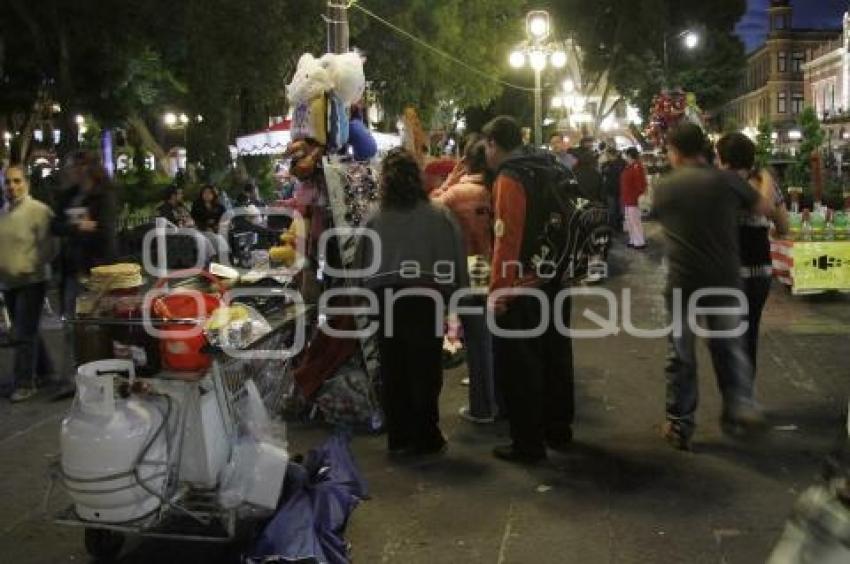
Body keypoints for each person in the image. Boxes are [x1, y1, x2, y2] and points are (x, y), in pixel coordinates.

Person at [653, 124, 767, 450]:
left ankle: (679, 423)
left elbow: (660, 223)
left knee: (681, 355)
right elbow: (761, 207)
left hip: (683, 283)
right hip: (725, 280)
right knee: (729, 349)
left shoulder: (666, 186)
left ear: (674, 150)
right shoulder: (728, 181)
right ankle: (740, 409)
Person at [484, 116, 586, 464]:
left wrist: (498, 291)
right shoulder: (550, 165)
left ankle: (527, 442)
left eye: (487, 146)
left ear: (494, 144)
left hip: (523, 285)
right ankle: (558, 428)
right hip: (555, 278)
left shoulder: (511, 176)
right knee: (556, 355)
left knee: (522, 365)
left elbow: (506, 237)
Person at [355, 147, 467, 456]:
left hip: (385, 300)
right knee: (426, 369)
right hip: (425, 299)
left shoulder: (374, 217)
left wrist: (362, 301)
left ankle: (399, 436)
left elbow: (360, 264)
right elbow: (454, 257)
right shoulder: (438, 214)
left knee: (394, 369)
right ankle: (426, 435)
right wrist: (458, 297)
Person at [431, 140, 497, 424]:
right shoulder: (498, 187)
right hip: (496, 266)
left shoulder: (456, 193)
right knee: (491, 338)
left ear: (466, 161)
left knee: (477, 338)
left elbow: (430, 209)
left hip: (466, 269)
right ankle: (498, 401)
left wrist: (449, 181)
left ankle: (483, 407)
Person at [716, 133, 790, 373]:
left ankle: (734, 393)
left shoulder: (717, 184)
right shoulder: (765, 184)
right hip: (759, 269)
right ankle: (746, 393)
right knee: (750, 331)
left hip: (726, 271)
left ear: (723, 158)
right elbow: (784, 226)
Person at [0, 165, 56, 402]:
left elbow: (50, 246)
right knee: (28, 330)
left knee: (23, 332)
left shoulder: (38, 211)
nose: (12, 187)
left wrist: (33, 264)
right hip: (9, 282)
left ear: (27, 183)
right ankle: (45, 372)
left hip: (31, 280)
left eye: (17, 181)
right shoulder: (4, 212)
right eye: (7, 182)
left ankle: (25, 382)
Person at [621, 147, 647, 249]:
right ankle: (633, 240)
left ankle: (639, 242)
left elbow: (640, 185)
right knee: (630, 221)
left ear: (630, 155)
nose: (625, 157)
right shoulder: (631, 166)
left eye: (626, 155)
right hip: (628, 198)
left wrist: (638, 196)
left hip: (633, 199)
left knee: (635, 221)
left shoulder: (636, 167)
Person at [601, 147, 626, 231]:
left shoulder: (622, 163)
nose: (606, 156)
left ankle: (618, 227)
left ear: (611, 154)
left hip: (619, 190)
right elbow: (603, 173)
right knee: (613, 210)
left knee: (618, 210)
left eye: (607, 154)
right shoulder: (606, 164)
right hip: (611, 191)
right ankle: (614, 227)